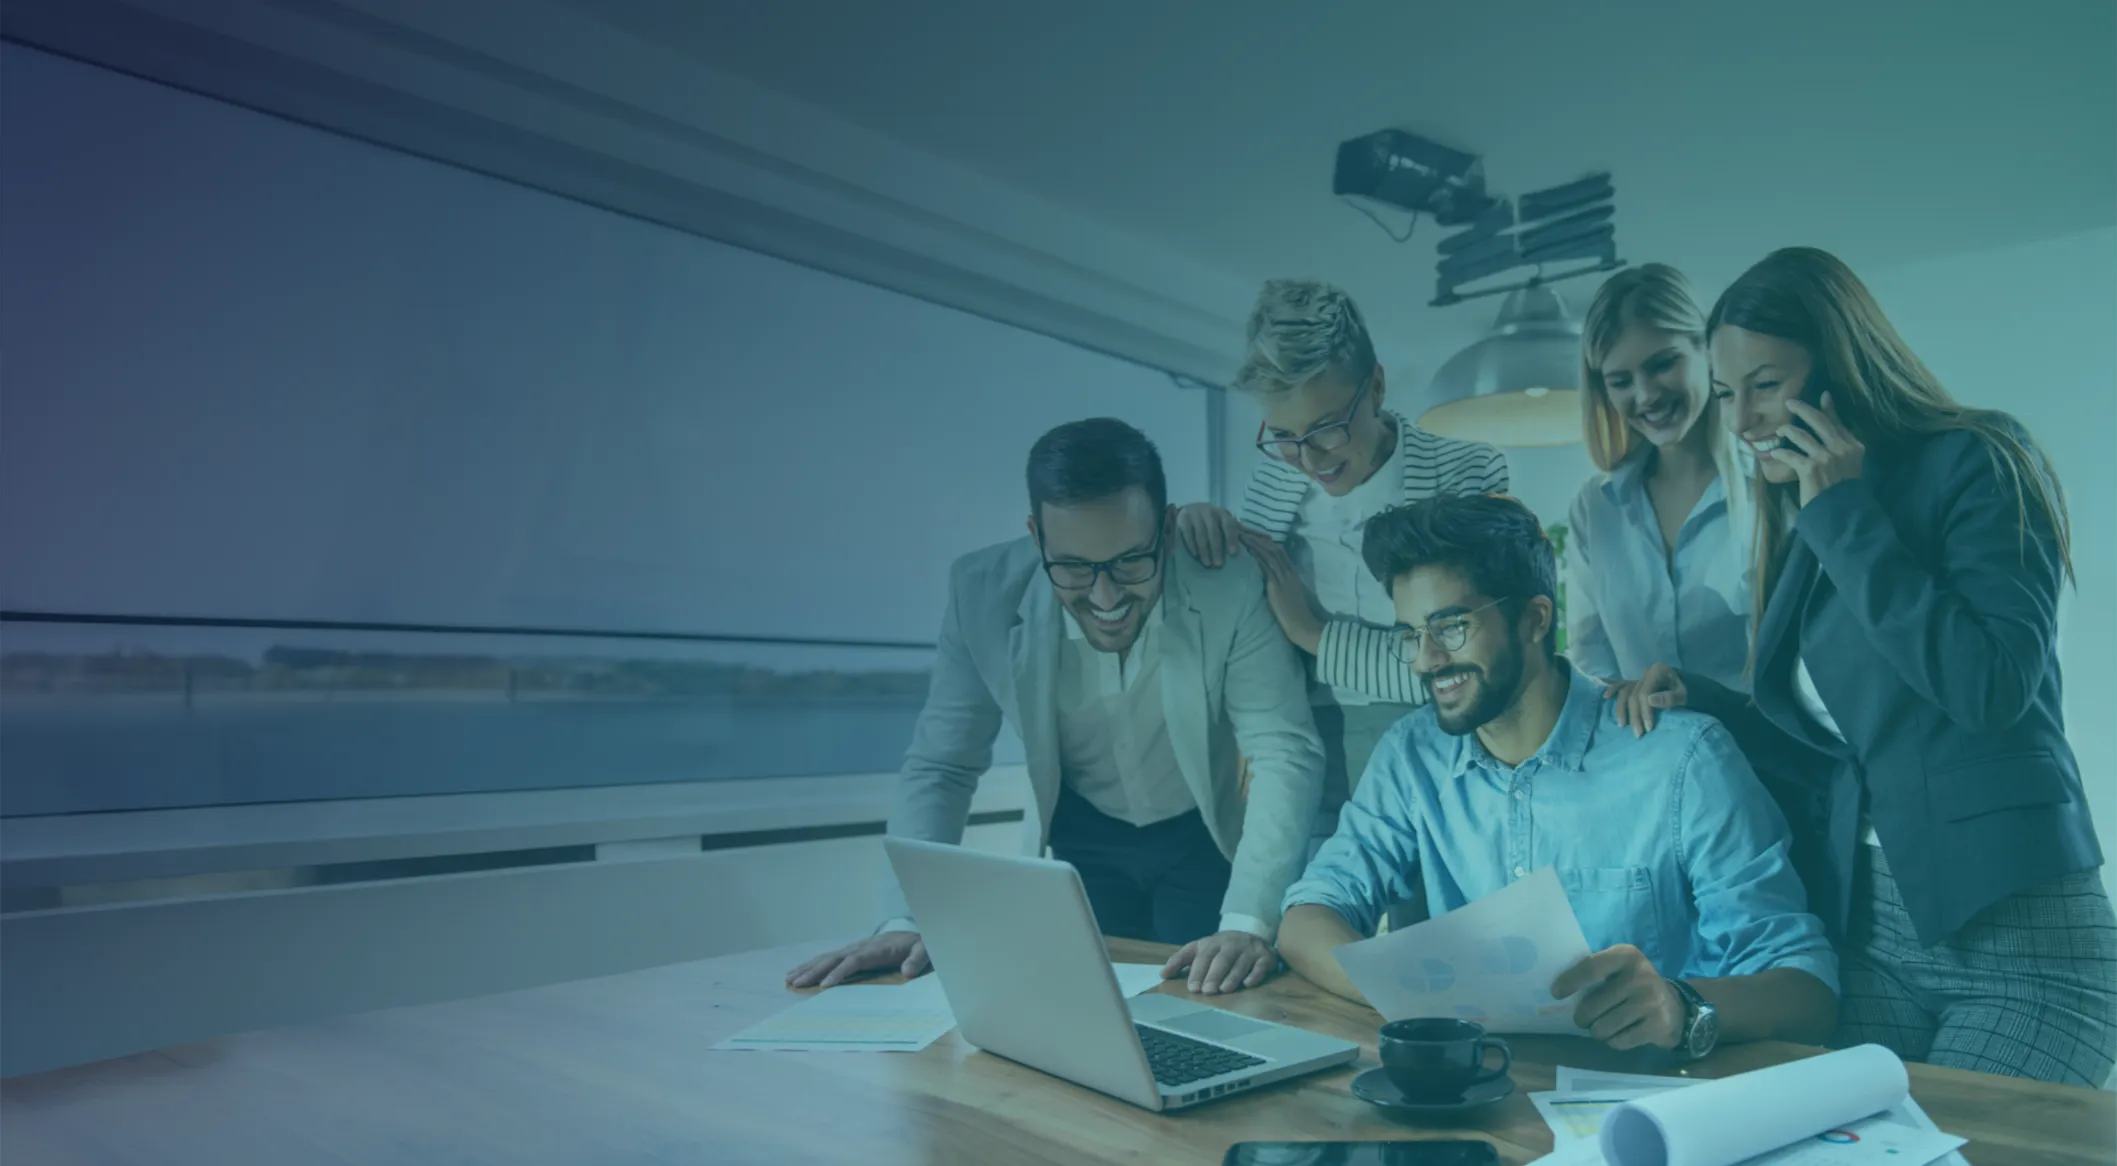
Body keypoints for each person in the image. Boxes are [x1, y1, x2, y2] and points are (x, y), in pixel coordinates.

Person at [1624, 246, 2117, 1085]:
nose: (1738, 421)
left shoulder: (1978, 461)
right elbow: (1841, 746)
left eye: (1765, 385)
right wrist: (1703, 699)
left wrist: (1844, 514)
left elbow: (1988, 687)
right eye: (1725, 393)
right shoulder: (1814, 509)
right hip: (1873, 934)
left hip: (2019, 942)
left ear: (1838, 374)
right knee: (1755, 1121)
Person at [1276, 493, 1837, 1056]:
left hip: (1656, 1100)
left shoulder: (1682, 758)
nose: (1425, 659)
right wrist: (1424, 1005)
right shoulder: (1411, 757)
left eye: (1449, 627)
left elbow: (1809, 994)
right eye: (1409, 635)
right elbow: (1307, 919)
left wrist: (1680, 1005)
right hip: (1485, 1099)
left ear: (1535, 618)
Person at [787, 419, 1326, 997]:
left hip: (1202, 835)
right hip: (1077, 839)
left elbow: (1283, 751)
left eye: (1130, 562)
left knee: (1211, 1006)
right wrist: (907, 918)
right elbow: (942, 766)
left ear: (1168, 530)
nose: (1106, 597)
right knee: (1081, 1014)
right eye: (1073, 567)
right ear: (1036, 535)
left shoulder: (1230, 584)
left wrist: (1248, 922)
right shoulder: (980, 592)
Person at [1174, 279, 1510, 844]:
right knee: (1313, 915)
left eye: (1326, 428)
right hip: (1307, 738)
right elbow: (1244, 623)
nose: (1309, 459)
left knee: (1432, 924)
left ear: (1375, 387)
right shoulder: (1272, 485)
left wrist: (1315, 635)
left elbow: (1465, 655)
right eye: (1283, 435)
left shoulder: (1470, 474)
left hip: (1439, 736)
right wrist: (1200, 529)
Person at [1566, 264, 1754, 705]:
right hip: (1648, 763)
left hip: (1771, 761)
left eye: (1663, 364)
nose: (1646, 395)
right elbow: (1592, 662)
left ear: (1707, 350)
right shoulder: (1595, 508)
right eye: (1621, 381)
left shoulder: (1770, 482)